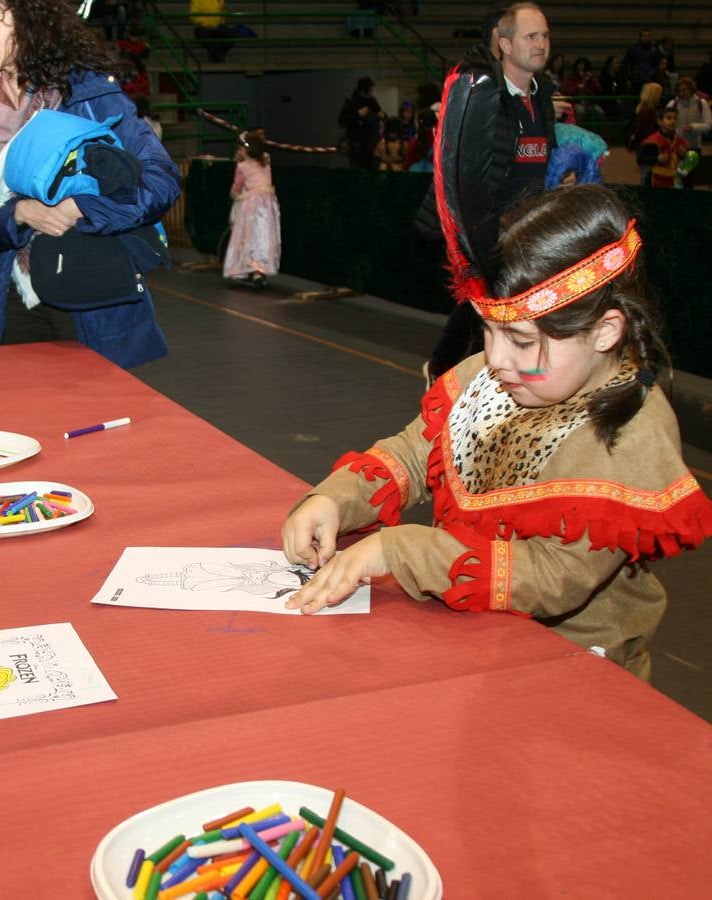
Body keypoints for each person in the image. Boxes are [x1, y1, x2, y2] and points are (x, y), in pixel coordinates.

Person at [282, 185, 712, 681]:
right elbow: (416, 454)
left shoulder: (631, 434)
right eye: (487, 330)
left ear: (605, 331)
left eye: (521, 340)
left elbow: (554, 576)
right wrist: (336, 499)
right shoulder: (500, 376)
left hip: (573, 666)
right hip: (472, 633)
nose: (496, 358)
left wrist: (399, 550)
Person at [0, 0, 179, 368]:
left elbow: (160, 179)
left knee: (91, 403)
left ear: (29, 26)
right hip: (11, 298)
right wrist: (20, 214)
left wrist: (81, 208)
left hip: (92, 296)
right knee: (20, 404)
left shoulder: (90, 96)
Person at [421, 3, 556, 385]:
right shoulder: (482, 95)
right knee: (484, 303)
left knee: (493, 307)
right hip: (487, 226)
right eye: (531, 36)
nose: (541, 44)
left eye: (545, 35)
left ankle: (471, 374)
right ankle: (444, 370)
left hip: (526, 223)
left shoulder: (542, 96)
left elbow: (539, 155)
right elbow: (461, 171)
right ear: (505, 45)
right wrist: (477, 233)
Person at [222, 130, 279, 287]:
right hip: (268, 205)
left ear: (245, 149)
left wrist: (235, 195)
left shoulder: (243, 166)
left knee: (248, 236)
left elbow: (236, 187)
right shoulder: (265, 163)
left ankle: (248, 268)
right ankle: (258, 270)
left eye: (240, 148)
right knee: (263, 237)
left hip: (252, 206)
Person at [666, 76, 710, 189]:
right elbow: (666, 124)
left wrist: (693, 127)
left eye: (684, 90)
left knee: (689, 180)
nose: (682, 93)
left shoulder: (702, 103)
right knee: (674, 179)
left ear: (691, 89)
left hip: (693, 148)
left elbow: (709, 125)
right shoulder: (672, 104)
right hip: (675, 147)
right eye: (679, 90)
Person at [639, 106, 690, 189]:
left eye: (675, 118)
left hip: (675, 182)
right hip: (655, 182)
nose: (672, 121)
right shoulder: (652, 141)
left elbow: (687, 164)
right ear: (660, 121)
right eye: (669, 118)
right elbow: (640, 159)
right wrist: (657, 159)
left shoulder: (681, 142)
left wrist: (684, 155)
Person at [338, 76, 383, 169]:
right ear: (363, 91)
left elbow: (379, 112)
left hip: (371, 142)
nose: (371, 93)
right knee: (357, 169)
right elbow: (342, 120)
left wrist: (382, 115)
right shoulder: (352, 101)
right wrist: (358, 114)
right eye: (370, 90)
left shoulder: (372, 100)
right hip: (356, 142)